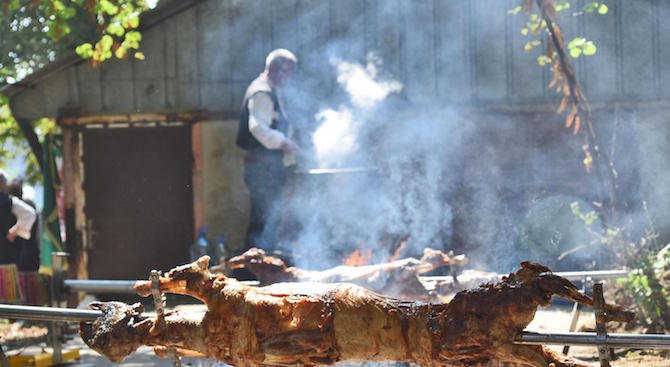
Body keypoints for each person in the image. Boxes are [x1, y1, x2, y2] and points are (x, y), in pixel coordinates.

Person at [236, 49, 300, 253]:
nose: (288, 77)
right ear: (273, 68)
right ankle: (251, 274)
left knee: (268, 221)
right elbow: (257, 127)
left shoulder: (273, 90)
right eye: (285, 71)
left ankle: (260, 270)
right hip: (262, 170)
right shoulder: (262, 91)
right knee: (263, 222)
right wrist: (283, 143)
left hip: (269, 168)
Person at [0, 171, 37, 266]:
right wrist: (15, 231)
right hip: (6, 250)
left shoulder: (9, 200)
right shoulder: (9, 200)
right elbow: (30, 214)